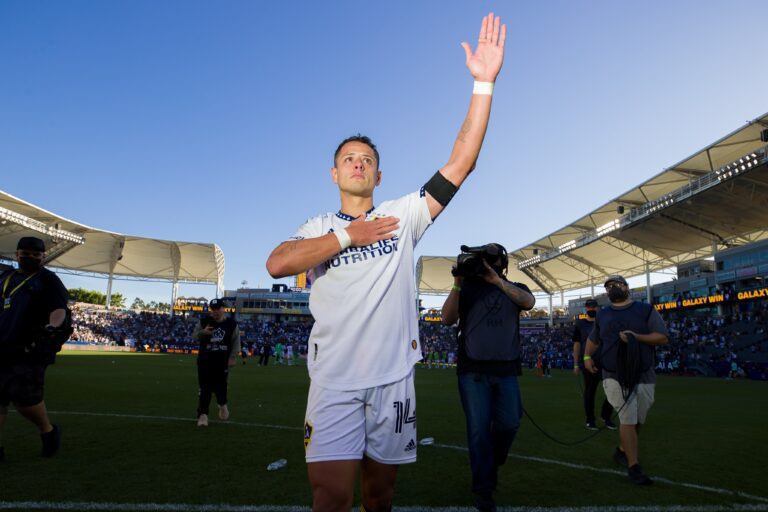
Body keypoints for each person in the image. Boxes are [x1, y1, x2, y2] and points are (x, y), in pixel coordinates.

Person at [265, 13, 507, 512]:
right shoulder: (317, 227)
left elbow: (461, 161)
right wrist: (347, 235)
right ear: (334, 172)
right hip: (332, 380)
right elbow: (276, 264)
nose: (359, 162)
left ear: (378, 175)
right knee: (330, 498)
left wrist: (483, 83)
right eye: (350, 157)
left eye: (367, 159)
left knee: (380, 496)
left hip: (393, 379)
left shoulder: (404, 215)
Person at [442, 243, 535, 511]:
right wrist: (458, 282)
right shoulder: (467, 288)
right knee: (479, 431)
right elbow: (447, 318)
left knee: (509, 424)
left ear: (501, 264)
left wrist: (497, 282)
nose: (486, 264)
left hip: (506, 369)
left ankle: (491, 463)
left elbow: (528, 302)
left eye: (491, 260)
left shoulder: (515, 288)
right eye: (482, 260)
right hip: (473, 371)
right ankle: (483, 488)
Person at [584, 275, 669, 485]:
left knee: (638, 419)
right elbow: (593, 340)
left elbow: (662, 337)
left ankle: (622, 450)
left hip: (643, 372)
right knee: (628, 419)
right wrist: (586, 357)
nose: (613, 288)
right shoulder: (603, 314)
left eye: (617, 284)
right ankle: (634, 467)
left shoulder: (645, 309)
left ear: (626, 287)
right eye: (609, 286)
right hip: (613, 374)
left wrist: (635, 336)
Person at [0, 237, 69, 460]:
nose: (29, 258)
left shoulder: (48, 280)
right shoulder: (6, 277)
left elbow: (59, 309)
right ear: (17, 254)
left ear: (42, 257)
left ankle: (48, 431)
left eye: (35, 255)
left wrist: (53, 325)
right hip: (2, 344)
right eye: (25, 254)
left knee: (25, 400)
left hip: (30, 347)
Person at [194, 298, 240, 427]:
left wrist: (233, 357)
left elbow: (236, 341)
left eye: (218, 308)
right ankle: (203, 415)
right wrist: (204, 332)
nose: (216, 311)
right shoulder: (204, 322)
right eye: (213, 309)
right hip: (205, 360)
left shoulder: (231, 324)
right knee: (204, 388)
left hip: (222, 361)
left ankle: (222, 404)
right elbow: (194, 336)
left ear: (223, 309)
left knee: (221, 387)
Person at [572, 299, 615, 430]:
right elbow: (577, 344)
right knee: (590, 392)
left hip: (606, 361)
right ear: (586, 308)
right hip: (588, 361)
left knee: (614, 390)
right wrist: (576, 364)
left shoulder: (605, 322)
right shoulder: (580, 324)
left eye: (593, 307)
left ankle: (605, 416)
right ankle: (590, 420)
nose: (591, 309)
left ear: (598, 308)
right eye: (589, 307)